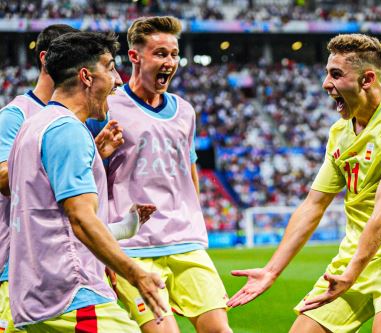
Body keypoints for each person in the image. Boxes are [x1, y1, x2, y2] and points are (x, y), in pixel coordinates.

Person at [228, 33, 381, 333]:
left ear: (367, 79)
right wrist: (271, 270)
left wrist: (352, 273)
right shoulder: (340, 132)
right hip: (353, 256)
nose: (325, 83)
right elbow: (313, 205)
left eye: (336, 74)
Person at [6, 31, 168, 332]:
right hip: (73, 293)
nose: (118, 80)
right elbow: (79, 219)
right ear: (86, 76)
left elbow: (49, 217)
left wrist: (124, 228)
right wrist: (136, 273)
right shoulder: (67, 131)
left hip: (35, 298)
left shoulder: (32, 128)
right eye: (109, 67)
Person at [86, 16, 232, 333]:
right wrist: (98, 153)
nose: (169, 62)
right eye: (160, 54)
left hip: (185, 241)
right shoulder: (108, 106)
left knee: (220, 329)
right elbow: (88, 173)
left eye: (174, 54)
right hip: (135, 247)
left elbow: (189, 170)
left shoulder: (184, 111)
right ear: (135, 56)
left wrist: (194, 216)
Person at [0, 24, 79, 333]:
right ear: (46, 59)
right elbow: (2, 177)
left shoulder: (70, 118)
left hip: (58, 265)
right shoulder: (16, 115)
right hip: (14, 265)